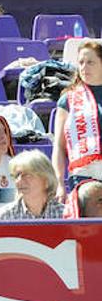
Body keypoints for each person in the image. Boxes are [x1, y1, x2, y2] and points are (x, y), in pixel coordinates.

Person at [52, 40, 102, 204]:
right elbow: (59, 147)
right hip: (83, 175)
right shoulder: (68, 99)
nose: (84, 67)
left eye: (90, 62)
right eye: (81, 62)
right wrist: (60, 183)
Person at [0, 150, 64, 220]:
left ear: (46, 181)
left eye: (27, 175)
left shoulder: (65, 214)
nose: (19, 180)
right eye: (17, 175)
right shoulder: (4, 216)